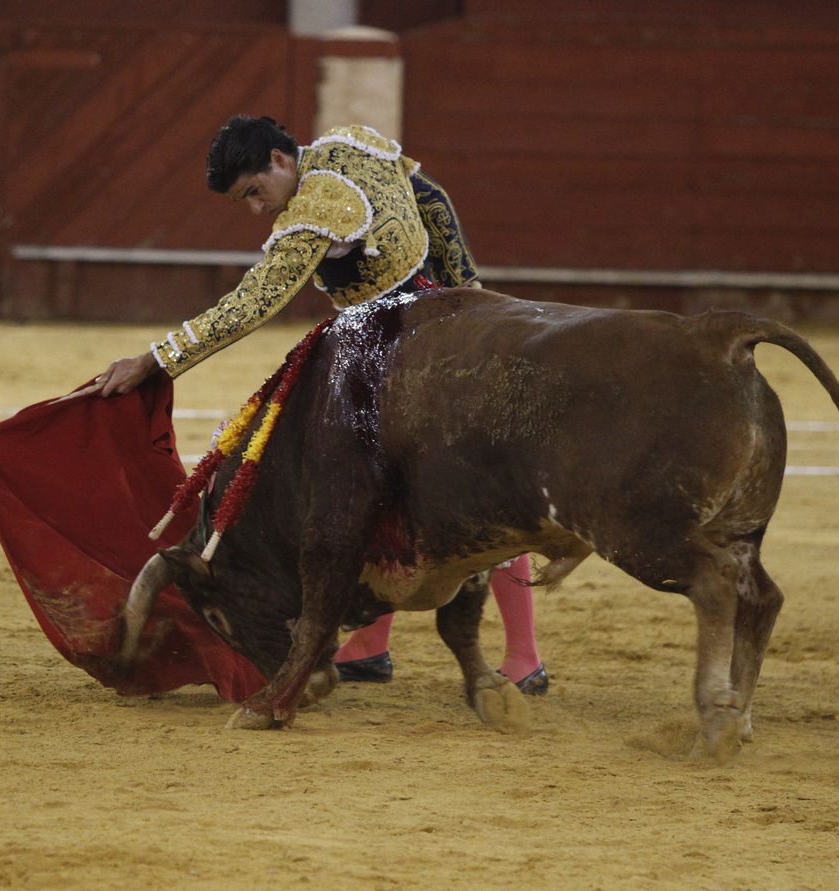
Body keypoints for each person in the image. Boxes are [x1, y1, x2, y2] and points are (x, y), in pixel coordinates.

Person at [84, 116, 549, 696]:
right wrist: (468, 296)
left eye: (254, 191)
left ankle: (522, 656)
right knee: (388, 484)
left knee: (390, 482)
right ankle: (376, 647)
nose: (258, 210)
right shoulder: (351, 143)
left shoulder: (317, 208)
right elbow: (430, 196)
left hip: (393, 349)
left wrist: (157, 358)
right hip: (436, 326)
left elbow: (255, 301)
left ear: (280, 160)